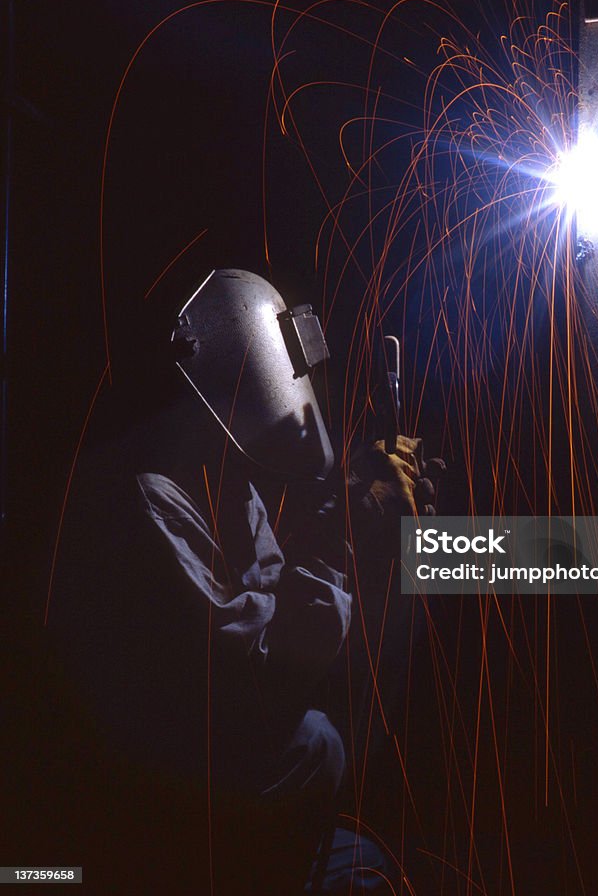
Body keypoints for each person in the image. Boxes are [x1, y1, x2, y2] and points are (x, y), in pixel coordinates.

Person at [48, 268, 439, 894]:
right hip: (162, 795)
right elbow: (256, 672)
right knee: (315, 745)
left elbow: (280, 593)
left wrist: (355, 494)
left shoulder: (221, 474)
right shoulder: (149, 499)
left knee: (366, 856)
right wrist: (345, 525)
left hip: (209, 762)